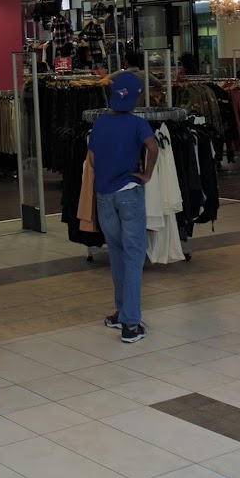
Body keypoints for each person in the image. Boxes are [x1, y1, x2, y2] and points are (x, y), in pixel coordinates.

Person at [88, 70, 159, 343]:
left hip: (104, 197)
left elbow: (92, 160)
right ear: (135, 97)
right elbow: (153, 147)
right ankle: (131, 323)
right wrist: (146, 174)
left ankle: (120, 312)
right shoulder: (138, 124)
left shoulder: (99, 123)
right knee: (134, 256)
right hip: (129, 192)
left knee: (116, 254)